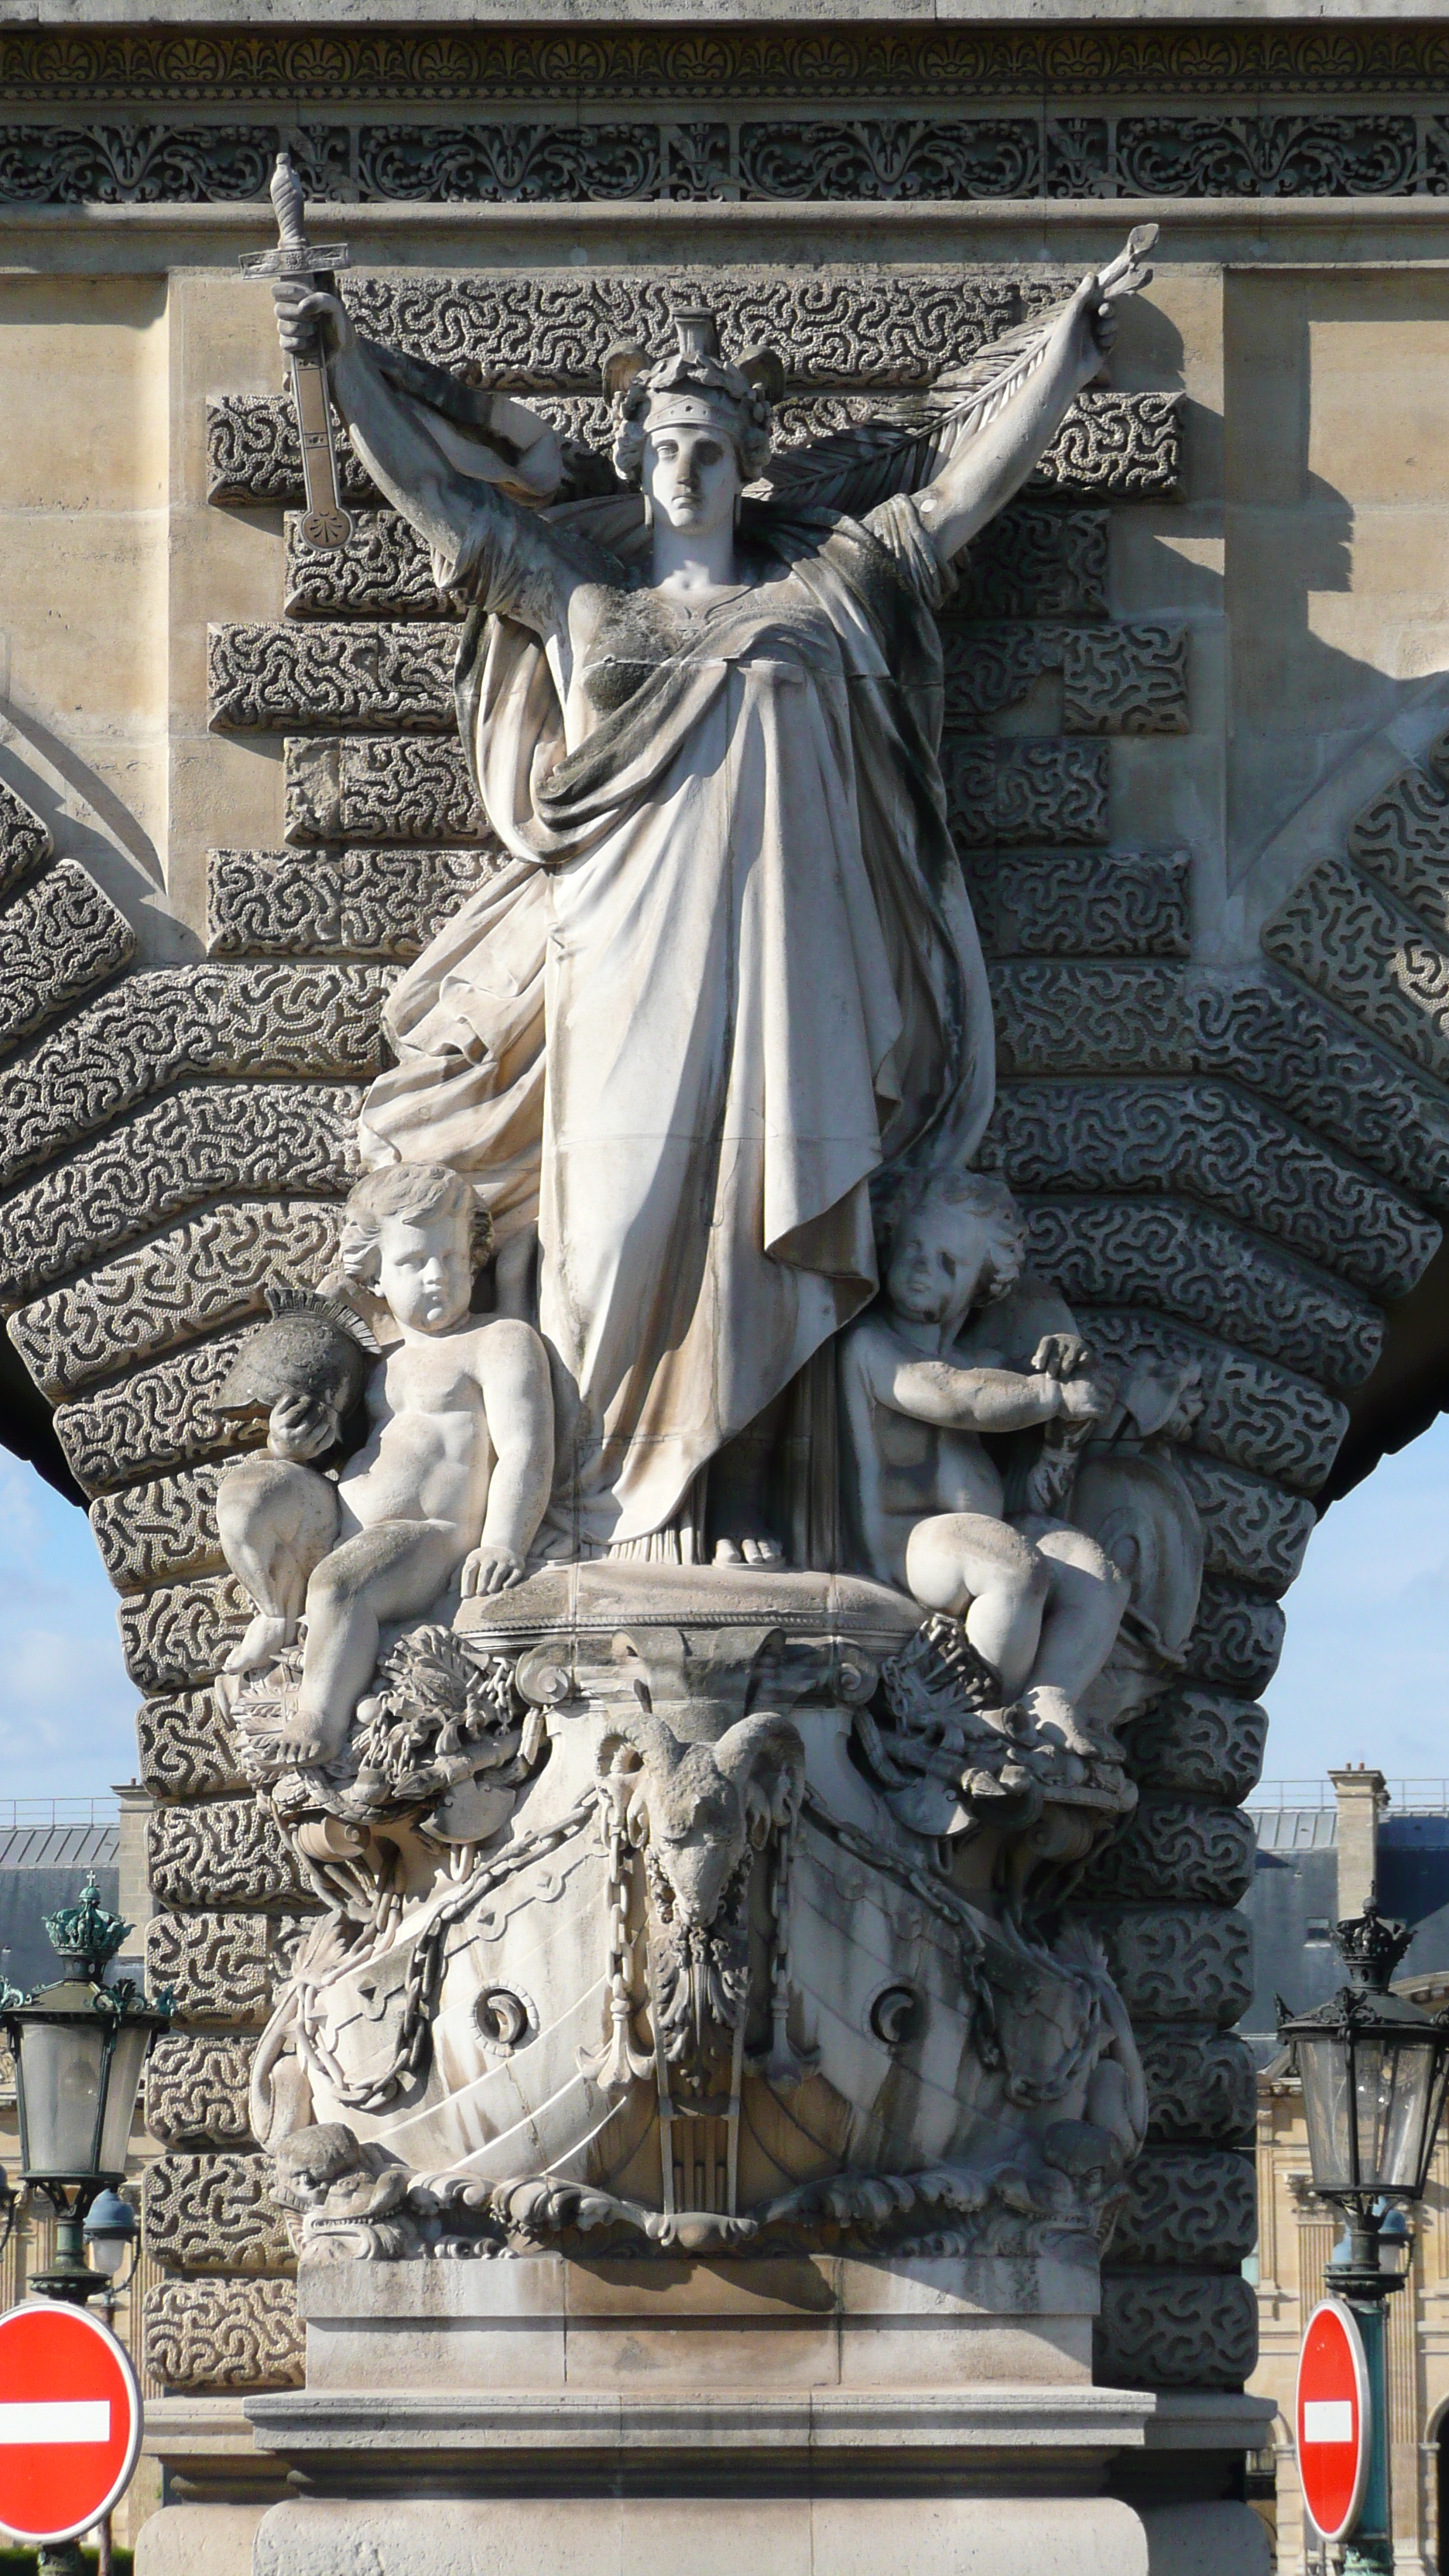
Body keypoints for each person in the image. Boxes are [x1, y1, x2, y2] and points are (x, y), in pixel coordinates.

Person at [270, 272, 1122, 1566]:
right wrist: (337, 368)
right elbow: (440, 503)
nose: (685, 469)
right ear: (634, 456)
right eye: (664, 446)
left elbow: (953, 505)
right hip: (614, 952)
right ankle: (597, 1526)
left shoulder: (824, 593)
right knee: (605, 1225)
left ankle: (760, 1527)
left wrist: (1062, 363)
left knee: (780, 1239)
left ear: (745, 462)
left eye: (710, 448)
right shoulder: (582, 598)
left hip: (795, 965)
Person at [215, 1162, 554, 1765]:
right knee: (246, 1491)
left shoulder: (496, 1340)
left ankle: (319, 1716)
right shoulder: (373, 1359)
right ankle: (274, 1612)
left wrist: (503, 1543)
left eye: (451, 1259)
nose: (437, 1278)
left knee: (342, 1583)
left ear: (474, 1260)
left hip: (430, 1538)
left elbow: (525, 1448)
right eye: (413, 1262)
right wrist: (286, 1448)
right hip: (345, 1523)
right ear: (372, 1271)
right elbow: (330, 1449)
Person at [837, 1170, 1127, 1754]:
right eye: (913, 1248)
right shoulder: (872, 1348)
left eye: (948, 1260)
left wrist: (1065, 1425)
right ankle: (978, 1717)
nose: (922, 1265)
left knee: (1092, 1570)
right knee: (1012, 1568)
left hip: (978, 1539)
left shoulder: (989, 1362)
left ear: (984, 1285)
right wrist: (1050, 1396)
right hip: (905, 1548)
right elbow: (955, 1396)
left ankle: (1047, 1697)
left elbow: (1031, 1489)